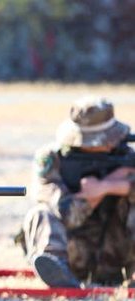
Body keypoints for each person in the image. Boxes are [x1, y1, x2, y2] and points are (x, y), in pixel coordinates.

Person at [21, 96, 135, 288]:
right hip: (74, 254)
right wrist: (93, 195)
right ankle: (57, 270)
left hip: (117, 253)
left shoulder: (127, 158)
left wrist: (110, 185)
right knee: (40, 213)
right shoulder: (52, 161)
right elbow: (65, 213)